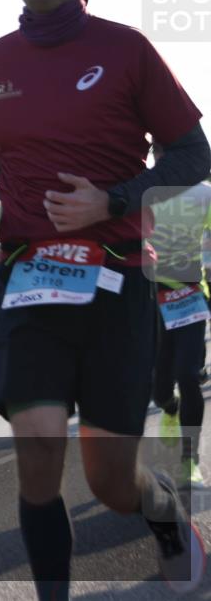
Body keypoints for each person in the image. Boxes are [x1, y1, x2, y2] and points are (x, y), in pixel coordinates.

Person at [0, 0, 211, 598]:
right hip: (28, 281)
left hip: (116, 283)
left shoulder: (125, 49)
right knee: (38, 451)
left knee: (110, 479)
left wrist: (114, 199)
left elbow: (194, 153)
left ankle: (165, 518)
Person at [148, 141, 211, 488]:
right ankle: (168, 409)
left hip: (189, 297)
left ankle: (191, 462)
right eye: (159, 153)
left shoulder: (203, 195)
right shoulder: (144, 191)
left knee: (189, 375)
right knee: (158, 389)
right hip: (151, 300)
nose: (164, 159)